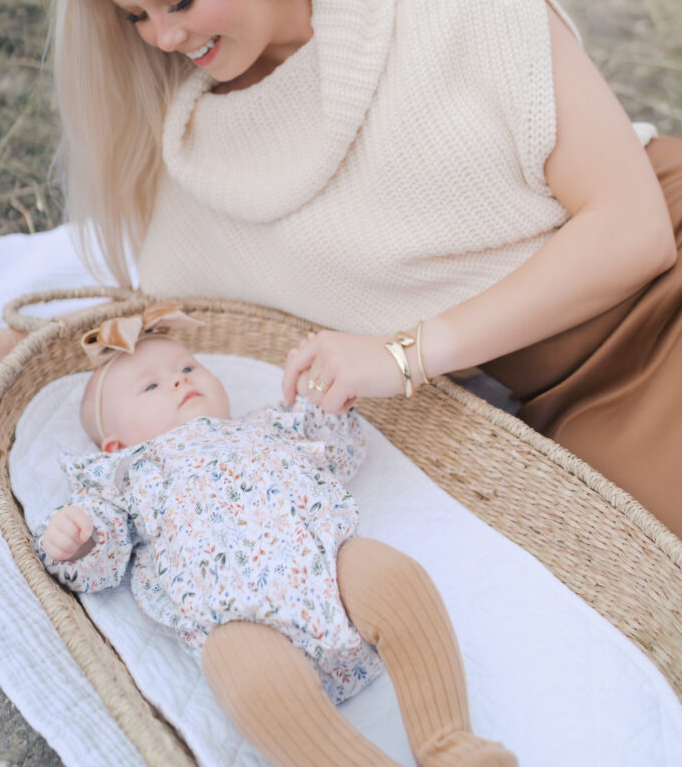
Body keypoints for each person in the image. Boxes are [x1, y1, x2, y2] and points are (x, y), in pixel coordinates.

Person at [0, 0, 680, 537]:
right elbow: (165, 315)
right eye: (136, 16)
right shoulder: (201, 154)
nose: (165, 36)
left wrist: (402, 354)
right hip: (574, 393)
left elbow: (633, 230)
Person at [35, 315, 517, 767]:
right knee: (244, 674)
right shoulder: (126, 473)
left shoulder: (266, 426)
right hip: (236, 617)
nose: (180, 380)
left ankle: (451, 743)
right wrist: (78, 540)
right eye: (152, 385)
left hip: (330, 567)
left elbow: (337, 453)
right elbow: (106, 555)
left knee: (397, 578)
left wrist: (325, 402)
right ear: (116, 443)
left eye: (187, 366)